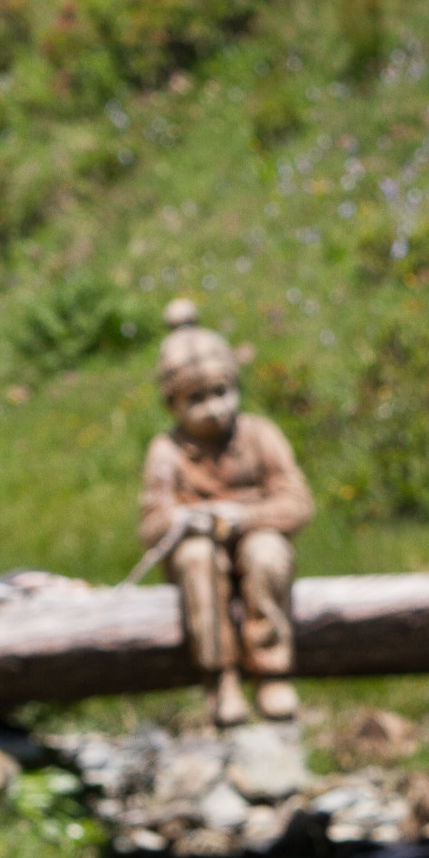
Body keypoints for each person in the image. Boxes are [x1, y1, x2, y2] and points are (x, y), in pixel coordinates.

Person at [139, 299, 312, 727]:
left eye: (222, 392)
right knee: (198, 560)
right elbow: (151, 523)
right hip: (200, 551)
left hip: (255, 532)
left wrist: (244, 517)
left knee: (267, 553)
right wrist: (183, 520)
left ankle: (272, 670)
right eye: (196, 399)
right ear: (172, 405)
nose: (215, 409)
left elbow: (297, 503)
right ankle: (220, 677)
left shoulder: (259, 434)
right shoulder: (167, 451)